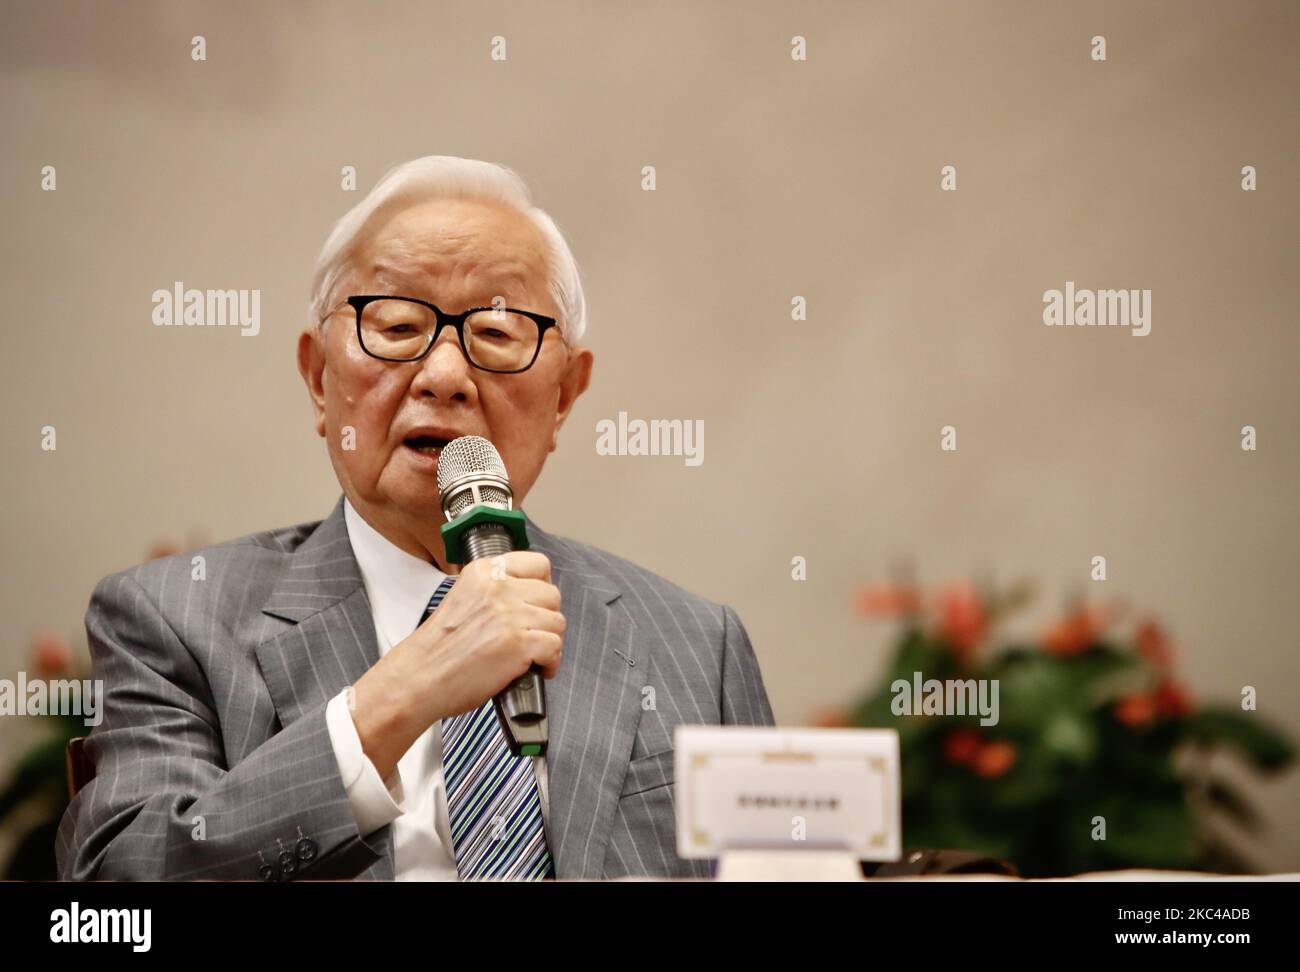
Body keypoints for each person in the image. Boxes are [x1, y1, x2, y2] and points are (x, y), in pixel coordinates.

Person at [56, 155, 774, 881]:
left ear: (566, 394)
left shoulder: (696, 645)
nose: (445, 376)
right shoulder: (172, 622)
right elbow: (117, 891)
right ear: (318, 380)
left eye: (496, 335)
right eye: (397, 326)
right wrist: (403, 691)